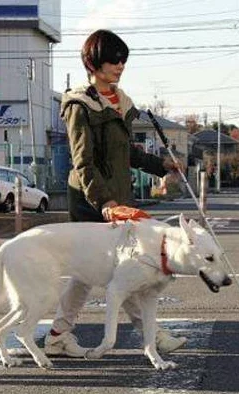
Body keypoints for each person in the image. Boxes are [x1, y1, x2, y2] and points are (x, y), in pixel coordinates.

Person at [44, 29, 187, 357]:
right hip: (92, 200)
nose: (119, 65)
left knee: (85, 274)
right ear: (93, 63)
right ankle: (154, 336)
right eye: (112, 60)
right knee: (127, 269)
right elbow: (84, 162)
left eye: (122, 60)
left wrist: (162, 164)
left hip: (118, 198)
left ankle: (57, 335)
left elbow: (127, 153)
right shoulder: (81, 105)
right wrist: (104, 203)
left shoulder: (119, 102)